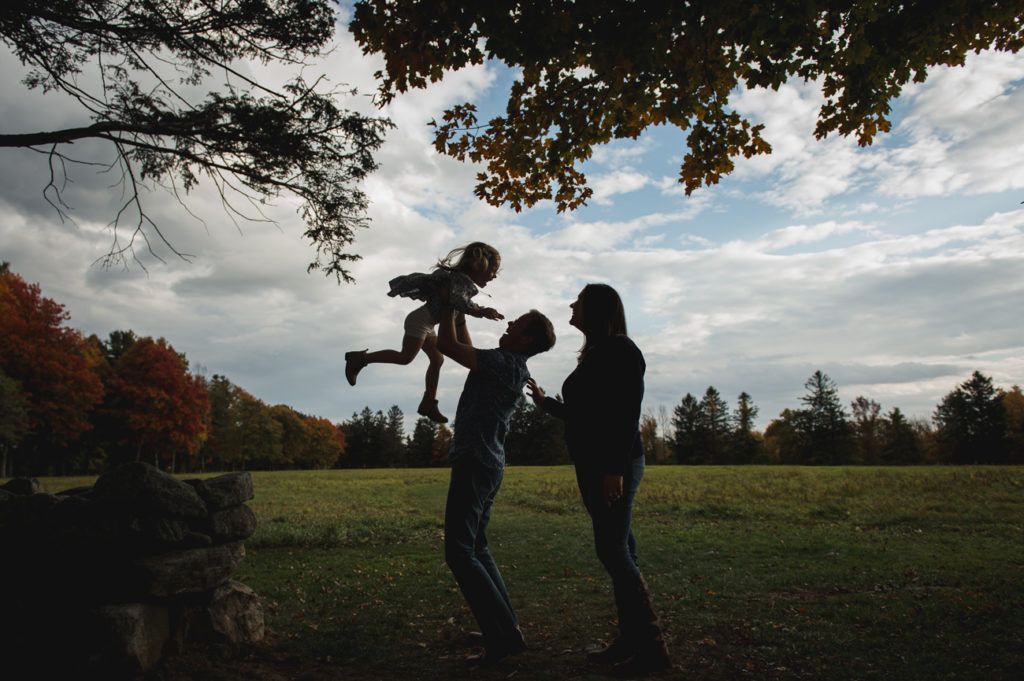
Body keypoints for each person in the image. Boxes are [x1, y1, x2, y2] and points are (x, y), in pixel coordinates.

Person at [526, 283, 671, 674]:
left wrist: (614, 471)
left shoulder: (622, 350)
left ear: (598, 310)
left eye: (579, 301)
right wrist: (546, 404)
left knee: (613, 551)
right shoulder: (596, 354)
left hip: (612, 466)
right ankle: (632, 640)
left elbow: (626, 414)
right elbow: (587, 414)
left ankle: (652, 647)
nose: (572, 305)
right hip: (594, 464)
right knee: (621, 548)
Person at [436, 300, 556, 665]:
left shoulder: (503, 363)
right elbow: (466, 347)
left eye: (517, 324)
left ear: (527, 338)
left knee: (459, 552)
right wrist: (459, 314)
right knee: (478, 547)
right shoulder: (511, 365)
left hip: (476, 461)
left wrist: (445, 306)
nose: (510, 324)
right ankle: (507, 630)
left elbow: (448, 346)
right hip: (489, 464)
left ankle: (500, 637)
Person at [344, 242, 504, 423]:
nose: (495, 276)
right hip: (419, 322)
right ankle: (360, 359)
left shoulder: (461, 282)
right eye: (493, 270)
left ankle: (429, 402)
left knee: (437, 359)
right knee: (405, 357)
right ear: (479, 266)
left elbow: (459, 309)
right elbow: (460, 302)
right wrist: (481, 311)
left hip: (427, 325)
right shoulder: (459, 281)